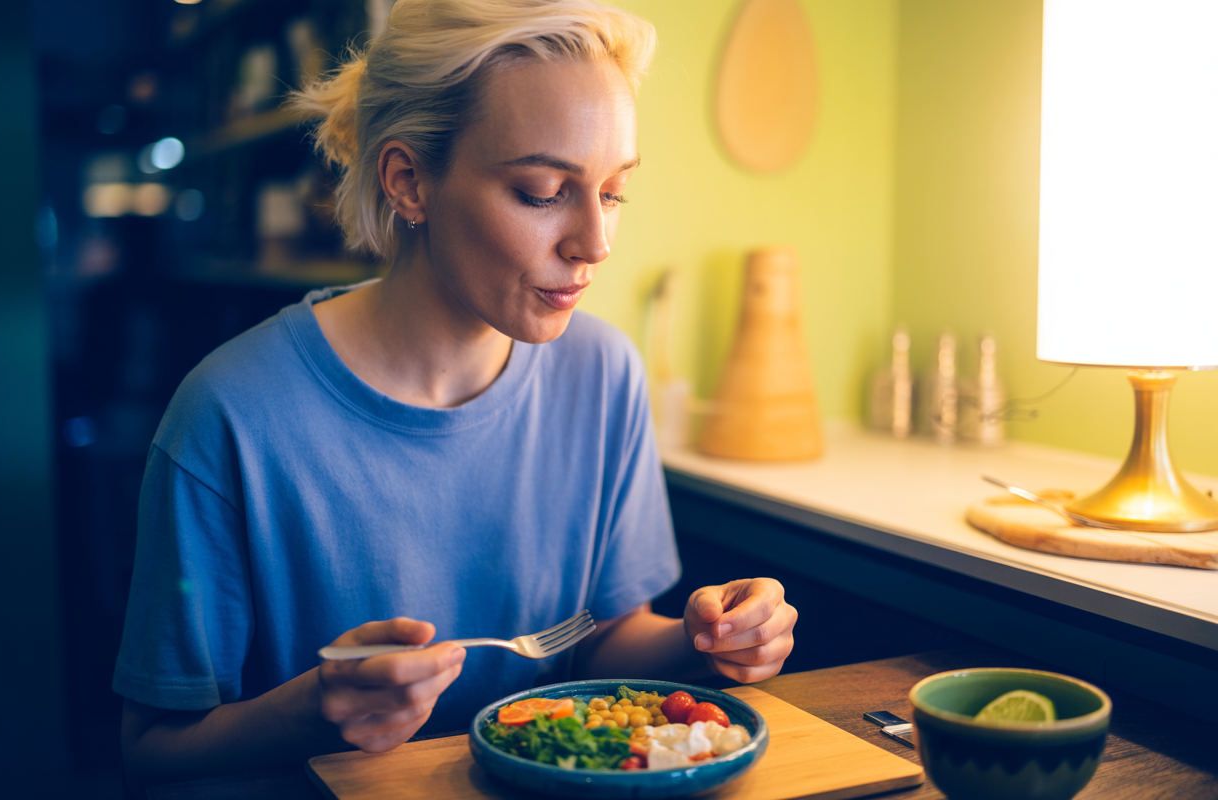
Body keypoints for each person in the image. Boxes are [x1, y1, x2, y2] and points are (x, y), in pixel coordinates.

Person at [114, 0, 797, 790]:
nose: (596, 244)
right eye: (544, 191)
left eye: (612, 192)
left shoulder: (603, 374)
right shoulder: (229, 416)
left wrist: (708, 639)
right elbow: (151, 749)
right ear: (409, 181)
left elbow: (599, 639)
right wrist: (311, 711)